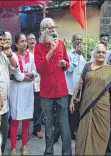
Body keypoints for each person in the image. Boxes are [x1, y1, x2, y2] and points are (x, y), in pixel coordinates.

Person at [70, 44, 111, 155]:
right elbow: (79, 84)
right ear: (94, 54)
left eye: (103, 52)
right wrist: (72, 100)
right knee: (82, 134)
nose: (101, 54)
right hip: (86, 106)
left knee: (101, 134)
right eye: (98, 52)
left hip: (103, 108)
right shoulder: (88, 67)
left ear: (106, 55)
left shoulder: (110, 70)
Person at [34, 18, 72, 156]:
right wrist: (50, 50)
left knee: (64, 124)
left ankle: (67, 153)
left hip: (61, 90)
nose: (51, 30)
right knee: (48, 124)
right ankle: (48, 152)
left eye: (52, 27)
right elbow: (40, 69)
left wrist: (64, 64)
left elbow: (67, 63)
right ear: (43, 30)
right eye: (48, 28)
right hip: (46, 92)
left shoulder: (61, 44)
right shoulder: (38, 48)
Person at [9, 33, 37, 155]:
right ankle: (13, 147)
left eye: (25, 41)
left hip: (27, 92)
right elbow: (14, 74)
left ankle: (24, 146)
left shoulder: (31, 56)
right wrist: (25, 76)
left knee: (26, 120)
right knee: (15, 120)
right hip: (16, 91)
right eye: (22, 41)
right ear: (16, 44)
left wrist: (22, 76)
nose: (25, 43)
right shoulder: (13, 57)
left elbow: (35, 72)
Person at [65, 33, 86, 140]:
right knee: (70, 113)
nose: (79, 41)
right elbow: (69, 70)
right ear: (72, 41)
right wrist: (75, 57)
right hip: (69, 89)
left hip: (79, 90)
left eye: (81, 40)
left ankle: (73, 132)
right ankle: (66, 134)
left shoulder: (82, 56)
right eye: (77, 39)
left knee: (76, 113)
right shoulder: (68, 54)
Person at [26, 33, 43, 139]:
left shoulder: (39, 52)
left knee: (38, 107)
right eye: (29, 39)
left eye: (34, 38)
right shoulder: (25, 54)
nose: (32, 41)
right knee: (27, 107)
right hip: (28, 83)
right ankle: (25, 130)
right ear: (26, 42)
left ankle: (37, 129)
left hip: (39, 84)